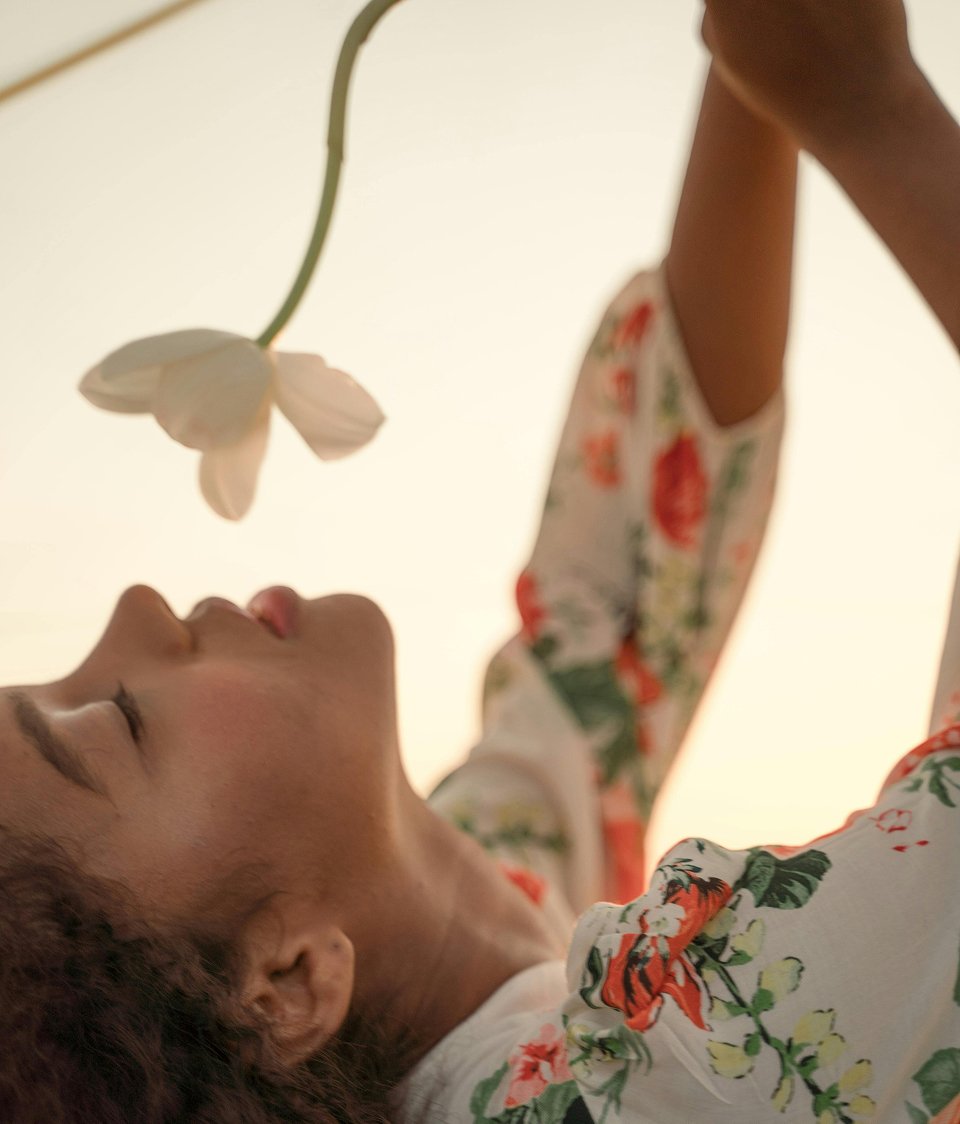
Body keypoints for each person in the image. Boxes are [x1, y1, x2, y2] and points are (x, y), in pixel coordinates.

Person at [0, 0, 957, 1120]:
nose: (133, 604)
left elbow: (626, 589)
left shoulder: (484, 904)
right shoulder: (648, 1092)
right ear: (289, 980)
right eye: (113, 718)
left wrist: (763, 68)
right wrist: (873, 113)